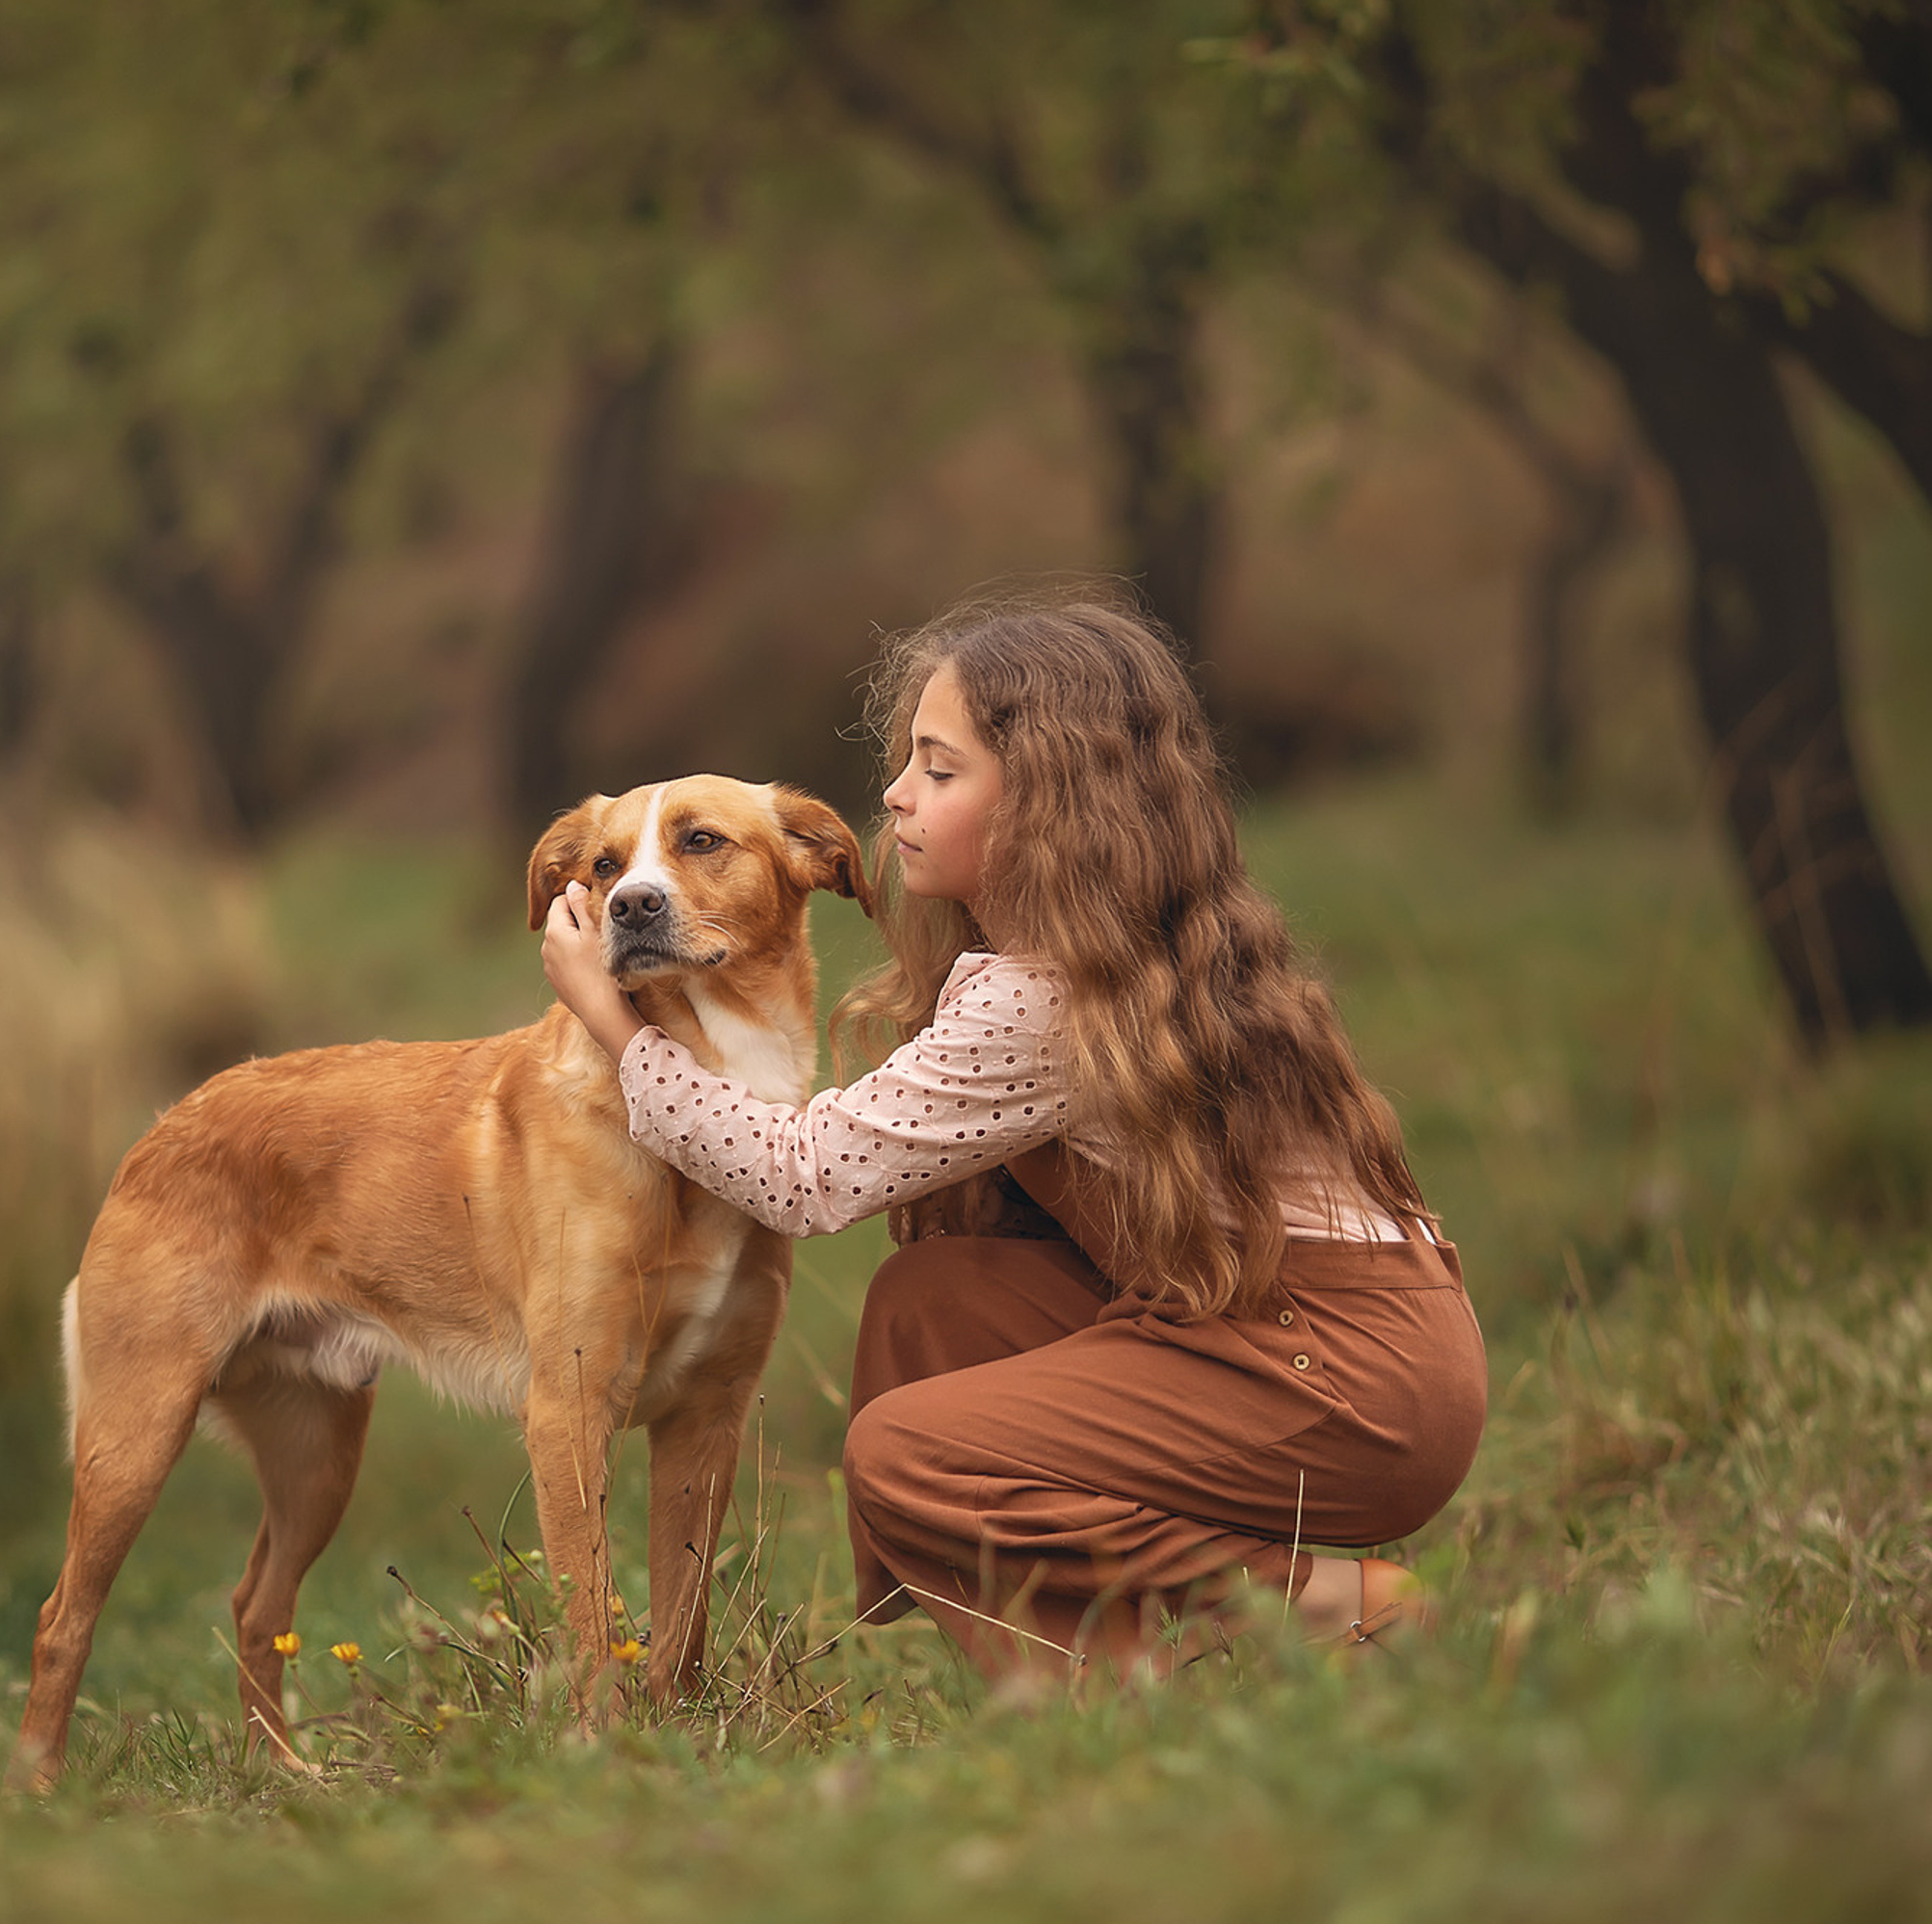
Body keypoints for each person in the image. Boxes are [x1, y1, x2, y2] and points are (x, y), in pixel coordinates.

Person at [539, 593, 1489, 1684]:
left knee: (904, 1451)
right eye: (906, 762)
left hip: (1349, 1382)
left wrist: (612, 1026)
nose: (895, 792)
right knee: (929, 1305)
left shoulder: (1042, 997)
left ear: (1046, 804)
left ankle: (1320, 1611)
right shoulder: (1114, 948)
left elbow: (805, 1179)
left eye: (938, 771)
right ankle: (1079, 1677)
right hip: (1307, 1335)